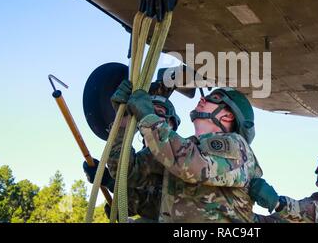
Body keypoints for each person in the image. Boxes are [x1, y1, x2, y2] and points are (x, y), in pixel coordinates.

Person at [111, 83, 262, 222]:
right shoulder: (178, 150)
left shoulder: (237, 146)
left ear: (228, 116)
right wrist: (123, 123)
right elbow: (125, 172)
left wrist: (148, 118)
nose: (203, 99)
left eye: (214, 98)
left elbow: (194, 167)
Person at [83, 81, 181, 222]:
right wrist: (107, 180)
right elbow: (144, 199)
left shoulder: (176, 150)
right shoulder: (145, 157)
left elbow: (126, 171)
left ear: (171, 123)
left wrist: (124, 123)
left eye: (157, 113)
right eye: (145, 111)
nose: (147, 115)